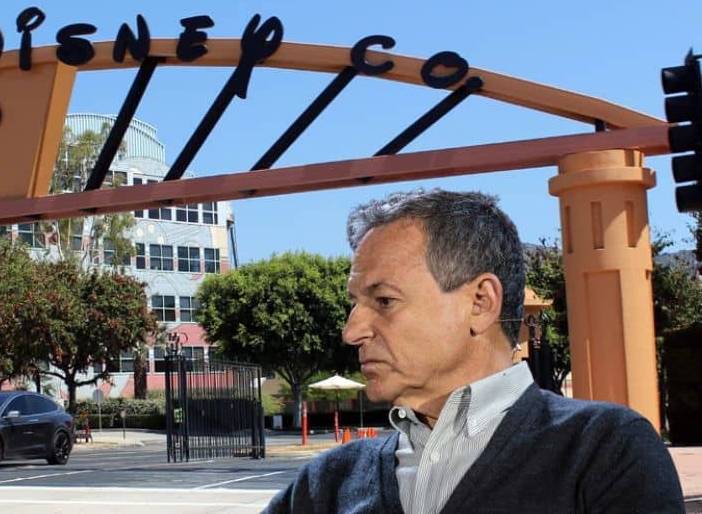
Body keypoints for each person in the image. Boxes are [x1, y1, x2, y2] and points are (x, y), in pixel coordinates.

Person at [264, 189, 684, 514]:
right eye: (354, 304)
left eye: (385, 301)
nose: (352, 330)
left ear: (481, 302)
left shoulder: (604, 449)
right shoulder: (325, 483)